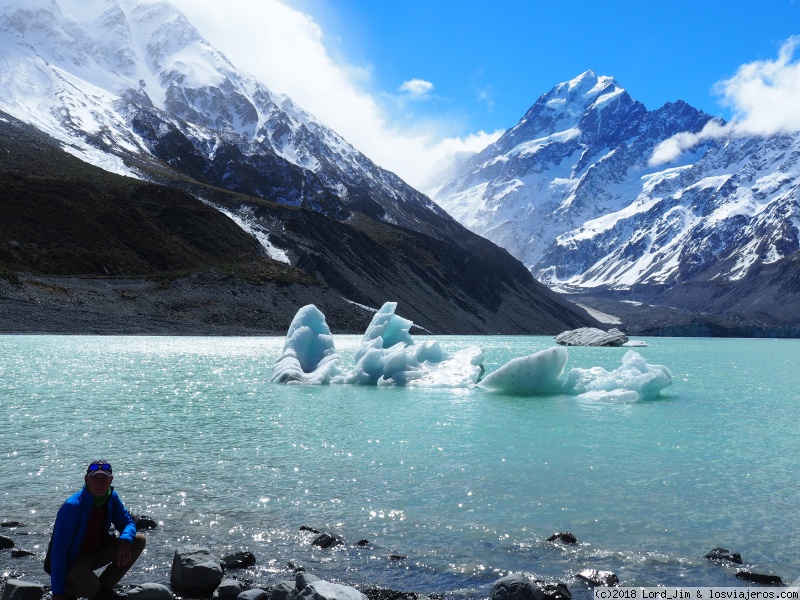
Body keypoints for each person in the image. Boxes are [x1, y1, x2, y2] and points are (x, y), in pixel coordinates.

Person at [45, 460, 146, 600]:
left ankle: (104, 588)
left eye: (104, 479)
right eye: (95, 479)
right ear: (86, 480)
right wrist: (58, 593)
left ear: (111, 480)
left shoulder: (111, 497)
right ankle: (69, 590)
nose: (100, 483)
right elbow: (59, 551)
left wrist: (125, 540)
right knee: (90, 587)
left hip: (94, 553)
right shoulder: (72, 507)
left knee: (137, 540)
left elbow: (127, 522)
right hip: (72, 560)